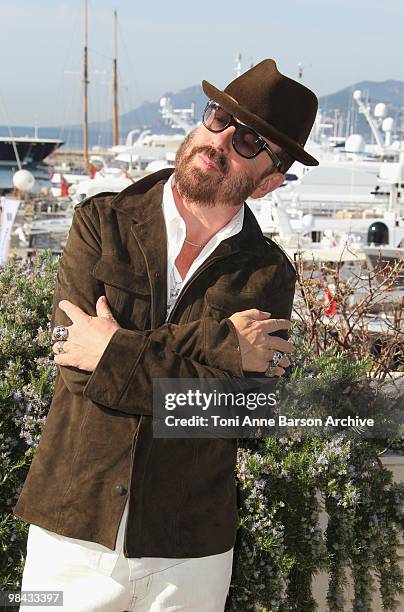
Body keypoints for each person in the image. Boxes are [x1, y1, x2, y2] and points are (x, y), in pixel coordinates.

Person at [14, 59, 318, 611]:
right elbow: (74, 365)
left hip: (190, 554)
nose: (220, 140)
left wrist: (112, 347)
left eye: (249, 140)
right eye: (219, 117)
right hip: (69, 533)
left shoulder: (270, 275)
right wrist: (223, 347)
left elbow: (244, 415)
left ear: (271, 180)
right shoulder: (99, 222)